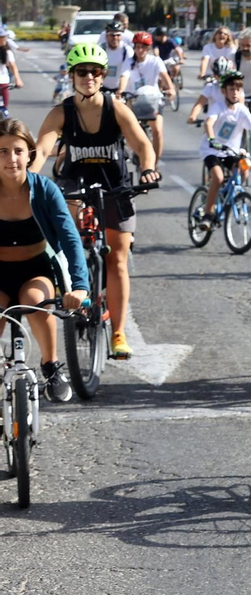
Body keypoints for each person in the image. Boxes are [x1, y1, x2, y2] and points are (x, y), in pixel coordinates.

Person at [31, 42, 162, 362]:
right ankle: (68, 286)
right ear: (71, 75)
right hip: (73, 184)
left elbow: (143, 145)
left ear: (103, 76)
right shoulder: (61, 112)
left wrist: (147, 170)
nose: (89, 77)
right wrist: (27, 179)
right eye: (82, 72)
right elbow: (43, 150)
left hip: (113, 186)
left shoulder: (115, 108)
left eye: (96, 72)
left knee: (117, 257)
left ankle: (118, 332)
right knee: (63, 241)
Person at [0, 118, 90, 403]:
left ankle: (50, 367)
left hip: (35, 271)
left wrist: (80, 287)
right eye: (2, 151)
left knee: (36, 301)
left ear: (29, 154)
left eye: (17, 150)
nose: (11, 159)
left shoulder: (45, 190)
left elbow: (70, 238)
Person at [197, 68, 251, 232]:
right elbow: (209, 123)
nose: (235, 93)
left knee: (244, 170)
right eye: (231, 89)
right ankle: (208, 215)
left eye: (238, 89)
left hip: (231, 151)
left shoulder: (242, 110)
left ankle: (233, 195)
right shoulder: (218, 106)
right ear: (224, 91)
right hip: (212, 151)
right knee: (217, 177)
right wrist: (211, 139)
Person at [125, 32, 175, 163]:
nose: (140, 50)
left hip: (153, 100)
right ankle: (132, 150)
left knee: (157, 130)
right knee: (127, 128)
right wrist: (120, 92)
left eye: (143, 47)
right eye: (137, 47)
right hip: (134, 100)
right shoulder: (128, 62)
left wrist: (171, 89)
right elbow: (123, 77)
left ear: (148, 48)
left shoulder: (155, 61)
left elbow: (165, 77)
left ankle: (154, 164)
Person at [99, 23, 134, 96]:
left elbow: (125, 73)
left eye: (118, 35)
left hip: (120, 88)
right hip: (102, 88)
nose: (115, 38)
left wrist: (120, 91)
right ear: (106, 36)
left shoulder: (127, 50)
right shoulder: (100, 49)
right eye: (112, 35)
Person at [0, 30, 22, 113]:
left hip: (3, 81)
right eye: (2, 37)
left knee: (5, 109)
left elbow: (13, 66)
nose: (5, 38)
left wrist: (17, 79)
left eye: (5, 36)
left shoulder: (7, 52)